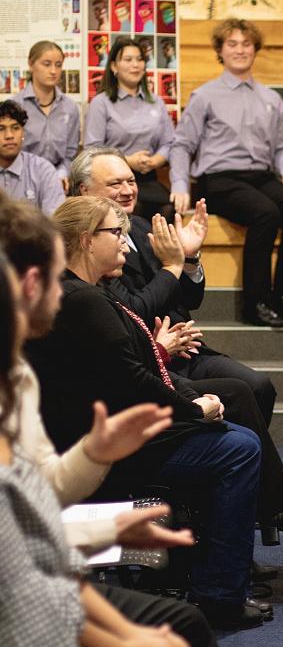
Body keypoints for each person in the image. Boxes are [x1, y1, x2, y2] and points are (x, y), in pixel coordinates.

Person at [24, 195, 268, 630]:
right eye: (116, 233)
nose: (125, 242)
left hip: (107, 432)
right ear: (87, 240)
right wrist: (193, 411)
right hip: (98, 451)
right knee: (239, 448)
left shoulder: (86, 292)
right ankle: (220, 595)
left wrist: (192, 402)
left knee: (236, 428)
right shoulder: (83, 299)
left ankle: (206, 576)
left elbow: (143, 368)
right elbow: (132, 381)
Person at [71, 146, 283, 545]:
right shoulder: (88, 244)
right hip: (150, 357)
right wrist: (172, 267)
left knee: (257, 386)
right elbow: (132, 311)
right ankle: (252, 511)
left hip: (186, 349)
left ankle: (243, 506)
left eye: (131, 180)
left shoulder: (142, 226)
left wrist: (191, 260)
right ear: (82, 191)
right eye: (115, 183)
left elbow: (189, 299)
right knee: (236, 400)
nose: (128, 190)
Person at [0, 194, 216, 646]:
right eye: (57, 276)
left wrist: (94, 453)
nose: (65, 290)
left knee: (184, 623)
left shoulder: (18, 377)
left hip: (38, 578)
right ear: (32, 285)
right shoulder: (80, 306)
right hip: (21, 602)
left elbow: (42, 503)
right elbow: (22, 576)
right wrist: (122, 639)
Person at [169, 18, 283, 328]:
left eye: (246, 44)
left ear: (255, 49)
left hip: (261, 176)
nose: (240, 50)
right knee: (266, 213)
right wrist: (179, 184)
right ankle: (256, 304)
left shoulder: (271, 98)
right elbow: (182, 144)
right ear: (220, 50)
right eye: (232, 44)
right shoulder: (205, 95)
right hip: (219, 180)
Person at [85, 38, 175, 221]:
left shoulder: (156, 102)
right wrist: (127, 161)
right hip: (113, 180)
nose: (135, 65)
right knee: (134, 208)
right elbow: (92, 149)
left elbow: (169, 142)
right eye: (128, 59)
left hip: (148, 177)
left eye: (139, 59)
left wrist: (155, 161)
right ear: (114, 66)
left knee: (168, 207)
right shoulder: (101, 103)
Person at [11, 41, 81, 192]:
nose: (53, 71)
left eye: (58, 65)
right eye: (47, 64)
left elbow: (70, 153)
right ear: (31, 64)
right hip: (21, 180)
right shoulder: (15, 105)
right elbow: (9, 152)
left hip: (58, 181)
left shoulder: (70, 107)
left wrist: (61, 173)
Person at [0, 100, 65, 216]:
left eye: (15, 128)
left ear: (23, 132)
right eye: (1, 129)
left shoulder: (43, 171)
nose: (9, 135)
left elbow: (55, 222)